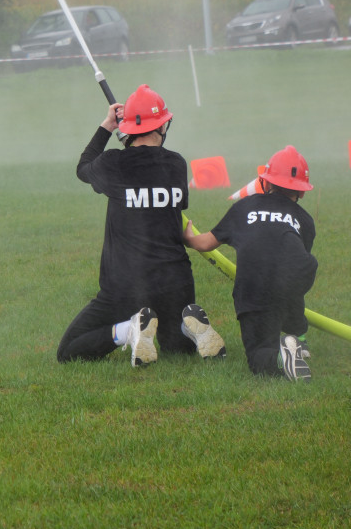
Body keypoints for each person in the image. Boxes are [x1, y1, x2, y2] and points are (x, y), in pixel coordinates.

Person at [57, 84, 226, 366]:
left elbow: (83, 167)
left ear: (128, 128)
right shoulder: (177, 164)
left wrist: (107, 127)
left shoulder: (113, 163)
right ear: (162, 126)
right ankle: (188, 328)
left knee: (68, 351)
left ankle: (129, 329)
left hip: (125, 284)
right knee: (176, 350)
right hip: (175, 282)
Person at [184, 146, 317, 381]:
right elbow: (295, 264)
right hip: (293, 283)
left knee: (259, 358)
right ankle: (298, 338)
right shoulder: (305, 220)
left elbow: (205, 243)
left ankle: (281, 355)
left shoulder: (244, 207)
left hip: (254, 293)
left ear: (265, 182)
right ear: (302, 192)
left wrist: (188, 238)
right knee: (289, 273)